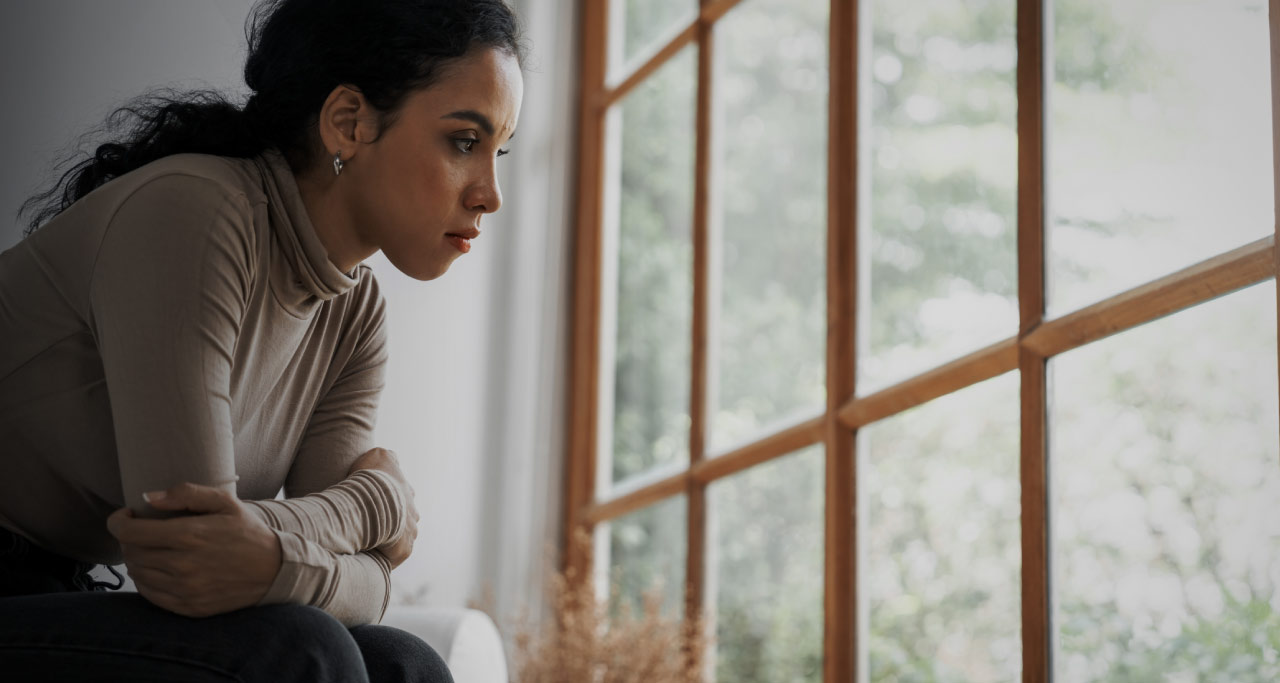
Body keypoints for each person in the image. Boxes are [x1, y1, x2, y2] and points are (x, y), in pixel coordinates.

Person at [0, 0, 523, 680]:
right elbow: (189, 554)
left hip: (60, 588)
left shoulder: (354, 312)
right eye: (464, 142)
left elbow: (359, 583)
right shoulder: (194, 212)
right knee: (302, 651)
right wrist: (380, 503)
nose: (490, 194)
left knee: (405, 662)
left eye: (498, 151)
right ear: (348, 122)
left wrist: (300, 549)